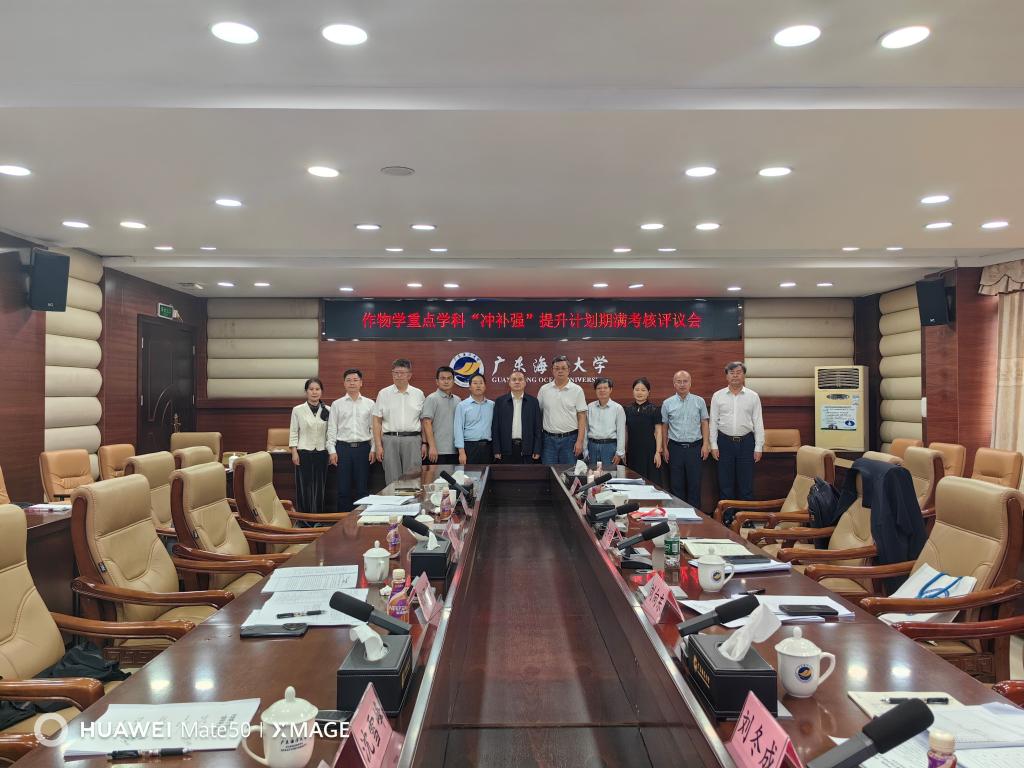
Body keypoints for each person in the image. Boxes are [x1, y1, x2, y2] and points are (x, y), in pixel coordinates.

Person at [710, 361, 765, 504]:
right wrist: (713, 445)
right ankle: (727, 515)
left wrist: (758, 447)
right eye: (732, 373)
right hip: (724, 443)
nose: (735, 376)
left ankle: (746, 515)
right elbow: (713, 422)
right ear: (726, 376)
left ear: (744, 375)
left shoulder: (753, 396)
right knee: (725, 484)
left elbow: (758, 422)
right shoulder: (718, 396)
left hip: (747, 443)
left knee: (746, 485)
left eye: (738, 373)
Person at [326, 369, 376, 513]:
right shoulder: (337, 404)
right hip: (343, 449)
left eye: (355, 380)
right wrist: (332, 451)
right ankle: (342, 521)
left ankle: (361, 520)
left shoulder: (370, 404)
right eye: (348, 380)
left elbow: (373, 429)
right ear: (344, 383)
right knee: (343, 490)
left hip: (363, 449)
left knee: (362, 489)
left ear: (361, 383)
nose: (352, 383)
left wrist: (373, 449)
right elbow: (332, 429)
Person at [661, 370, 710, 508]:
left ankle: (695, 515)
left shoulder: (699, 401)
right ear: (674, 384)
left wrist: (706, 444)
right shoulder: (667, 403)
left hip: (695, 448)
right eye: (679, 381)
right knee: (676, 485)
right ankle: (678, 514)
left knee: (695, 484)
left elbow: (705, 423)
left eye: (685, 381)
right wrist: (665, 448)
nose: (682, 384)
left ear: (690, 383)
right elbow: (665, 426)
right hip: (675, 448)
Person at [372, 358, 426, 484]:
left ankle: (412, 497)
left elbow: (423, 421)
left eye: (402, 373)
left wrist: (424, 443)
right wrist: (378, 446)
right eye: (395, 373)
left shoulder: (418, 394)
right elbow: (376, 421)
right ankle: (392, 498)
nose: (398, 376)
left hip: (413, 440)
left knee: (412, 478)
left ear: (409, 375)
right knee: (392, 480)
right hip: (390, 440)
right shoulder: (383, 393)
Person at [288, 377, 330, 514]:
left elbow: (330, 433)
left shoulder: (328, 409)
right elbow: (294, 431)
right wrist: (294, 452)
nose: (314, 392)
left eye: (317, 389)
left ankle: (318, 518)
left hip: (322, 452)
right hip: (303, 452)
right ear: (306, 391)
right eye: (311, 389)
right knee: (304, 487)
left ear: (321, 391)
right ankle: (304, 519)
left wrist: (331, 452)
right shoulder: (298, 410)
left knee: (320, 488)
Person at [538, 355, 587, 464]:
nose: (560, 371)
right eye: (557, 368)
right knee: (548, 471)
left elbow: (582, 416)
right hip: (548, 440)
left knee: (569, 472)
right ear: (552, 370)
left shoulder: (577, 390)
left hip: (570, 440)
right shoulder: (544, 389)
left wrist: (580, 441)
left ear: (569, 370)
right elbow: (538, 414)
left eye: (563, 368)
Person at [492, 370, 543, 464]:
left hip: (527, 449)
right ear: (509, 383)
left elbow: (537, 428)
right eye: (514, 379)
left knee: (526, 473)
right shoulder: (500, 402)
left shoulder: (533, 402)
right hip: (505, 449)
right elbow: (495, 428)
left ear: (525, 383)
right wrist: (496, 449)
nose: (517, 382)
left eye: (520, 379)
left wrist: (537, 449)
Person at [624, 377, 663, 485]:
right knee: (633, 481)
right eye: (637, 389)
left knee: (650, 482)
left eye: (643, 390)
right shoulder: (627, 410)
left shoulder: (654, 409)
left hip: (649, 451)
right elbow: (626, 431)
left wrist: (658, 452)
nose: (639, 392)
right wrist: (624, 451)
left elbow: (658, 432)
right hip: (633, 451)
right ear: (633, 391)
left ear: (648, 392)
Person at [421, 366, 461, 465]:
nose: (446, 381)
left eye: (449, 378)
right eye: (443, 378)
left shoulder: (458, 400)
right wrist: (432, 446)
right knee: (436, 475)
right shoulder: (432, 398)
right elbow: (426, 423)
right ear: (437, 381)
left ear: (453, 381)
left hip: (454, 450)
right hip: (437, 451)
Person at [454, 373, 495, 465]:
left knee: (487, 473)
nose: (478, 386)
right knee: (470, 473)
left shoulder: (492, 405)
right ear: (470, 387)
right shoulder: (462, 405)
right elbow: (458, 429)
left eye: (481, 383)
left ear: (485, 386)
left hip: (488, 448)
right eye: (475, 383)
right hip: (470, 448)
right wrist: (461, 452)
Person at [586, 377, 625, 467]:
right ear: (595, 390)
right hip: (592, 446)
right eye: (599, 388)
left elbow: (621, 432)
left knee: (609, 474)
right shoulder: (590, 407)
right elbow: (585, 429)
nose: (602, 390)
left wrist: (619, 453)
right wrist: (585, 449)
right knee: (592, 473)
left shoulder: (618, 408)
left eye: (605, 388)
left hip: (609, 447)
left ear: (610, 389)